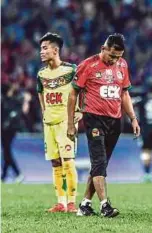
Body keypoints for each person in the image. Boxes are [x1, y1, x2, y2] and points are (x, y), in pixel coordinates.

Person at [67, 33, 140, 218]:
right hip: (93, 119)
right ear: (103, 48)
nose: (115, 60)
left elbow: (124, 94)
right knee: (99, 162)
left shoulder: (122, 65)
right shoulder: (88, 65)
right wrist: (70, 123)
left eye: (118, 56)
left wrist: (133, 118)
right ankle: (105, 205)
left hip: (115, 121)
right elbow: (73, 94)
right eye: (112, 55)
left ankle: (84, 204)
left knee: (101, 164)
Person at [36, 32, 80, 213]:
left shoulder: (71, 70)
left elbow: (82, 89)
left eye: (45, 48)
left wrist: (81, 111)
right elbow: (40, 93)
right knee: (55, 162)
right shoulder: (41, 74)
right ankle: (61, 203)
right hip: (50, 124)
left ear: (55, 50)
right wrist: (44, 112)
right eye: (41, 49)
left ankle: (71, 202)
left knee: (68, 161)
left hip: (65, 121)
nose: (41, 52)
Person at [1, 83, 25, 183]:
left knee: (6, 151)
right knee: (6, 152)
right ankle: (4, 176)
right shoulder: (4, 101)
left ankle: (17, 173)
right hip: (4, 129)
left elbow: (17, 113)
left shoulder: (13, 100)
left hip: (10, 129)